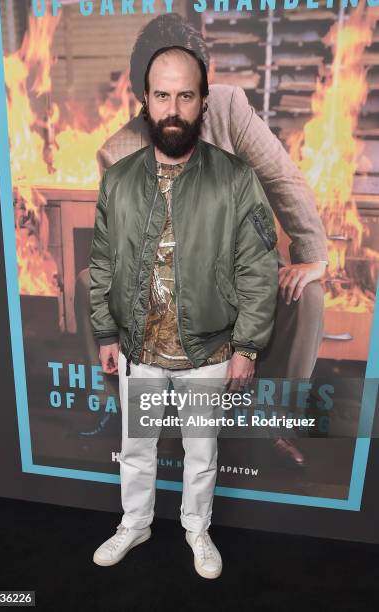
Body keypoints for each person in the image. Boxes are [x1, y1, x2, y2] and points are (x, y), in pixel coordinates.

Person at [77, 13, 328, 466]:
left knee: (308, 294)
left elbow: (282, 178)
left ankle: (270, 426)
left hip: (239, 276)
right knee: (86, 282)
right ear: (143, 95)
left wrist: (313, 258)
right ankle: (146, 422)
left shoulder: (229, 107)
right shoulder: (116, 153)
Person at [89, 46, 279, 578]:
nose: (173, 108)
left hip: (209, 350)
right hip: (140, 351)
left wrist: (246, 346)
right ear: (144, 101)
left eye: (186, 96)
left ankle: (197, 530)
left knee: (201, 453)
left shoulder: (237, 179)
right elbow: (102, 260)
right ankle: (136, 523)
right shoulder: (118, 179)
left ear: (204, 101)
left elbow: (260, 269)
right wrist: (106, 331)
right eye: (162, 95)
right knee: (137, 448)